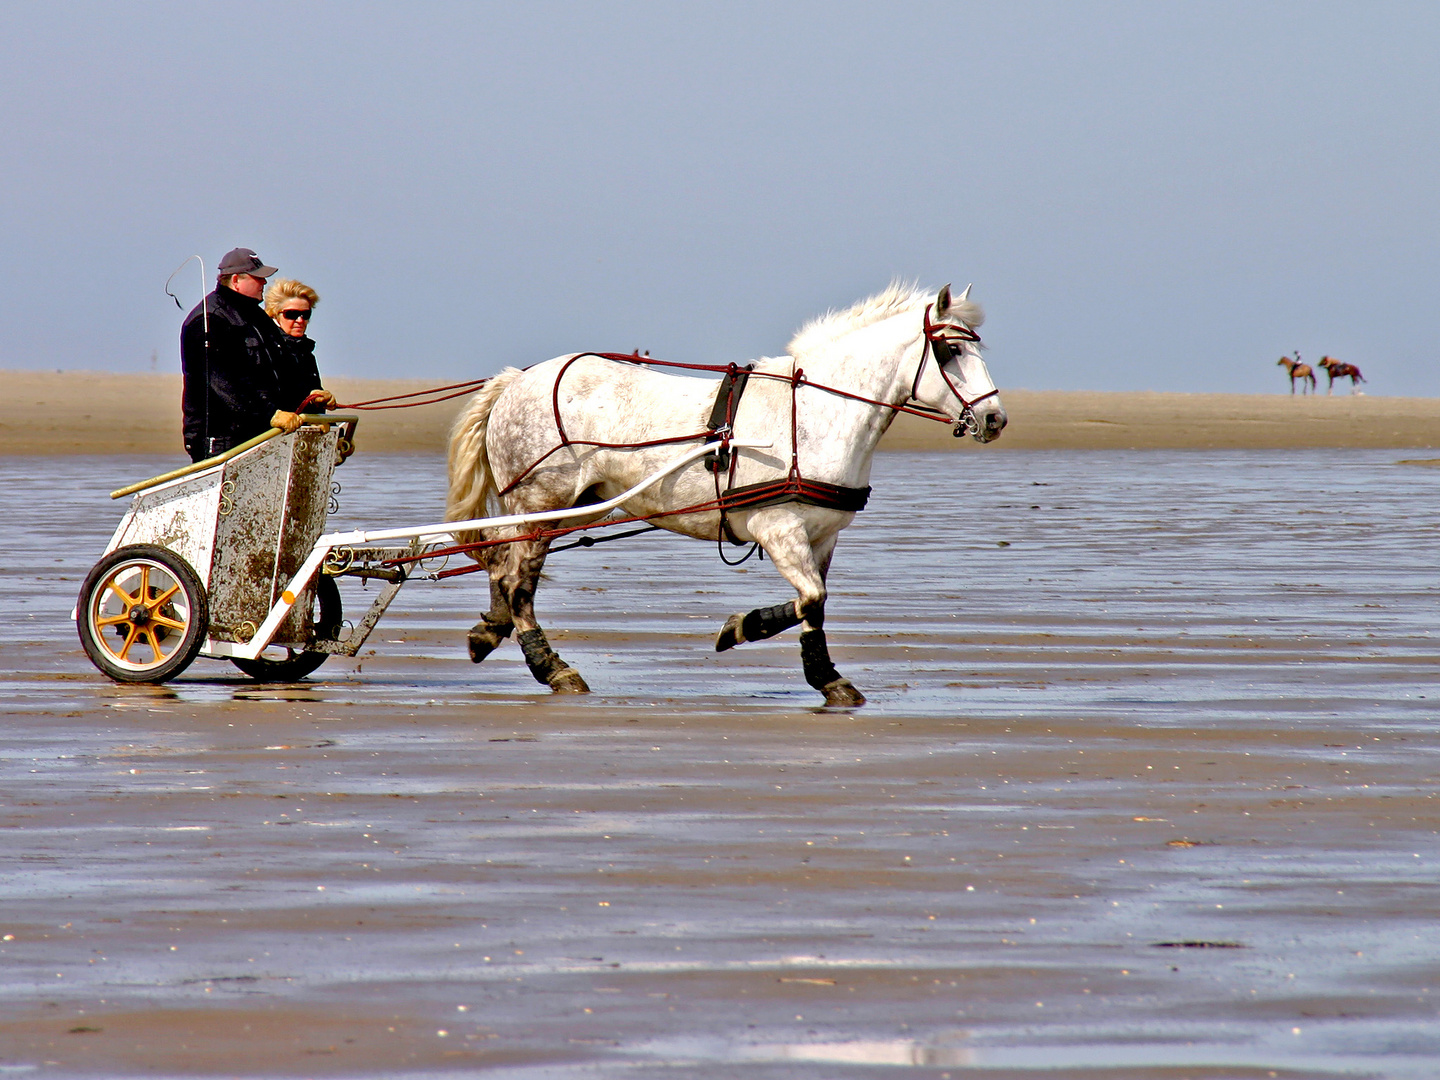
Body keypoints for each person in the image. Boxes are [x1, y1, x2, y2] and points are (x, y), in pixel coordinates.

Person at [179, 248, 332, 463]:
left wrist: (312, 401)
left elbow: (282, 369)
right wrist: (271, 414)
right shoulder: (209, 319)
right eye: (258, 278)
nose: (264, 283)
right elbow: (224, 385)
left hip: (260, 435)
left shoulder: (257, 317)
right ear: (235, 280)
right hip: (222, 440)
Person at [263, 278, 331, 416]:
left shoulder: (306, 352)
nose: (300, 320)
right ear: (275, 314)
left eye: (305, 314)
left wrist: (319, 398)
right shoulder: (265, 349)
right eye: (292, 314)